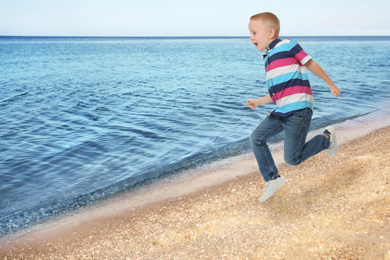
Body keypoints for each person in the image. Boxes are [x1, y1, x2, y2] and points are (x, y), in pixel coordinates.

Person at [246, 12, 341, 203]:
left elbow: (311, 63)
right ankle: (272, 179)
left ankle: (326, 138)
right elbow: (277, 94)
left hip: (299, 110)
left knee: (293, 159)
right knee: (256, 138)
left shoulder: (288, 44)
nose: (251, 37)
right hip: (281, 110)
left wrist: (330, 84)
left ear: (271, 32)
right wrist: (258, 101)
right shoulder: (268, 58)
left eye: (254, 33)